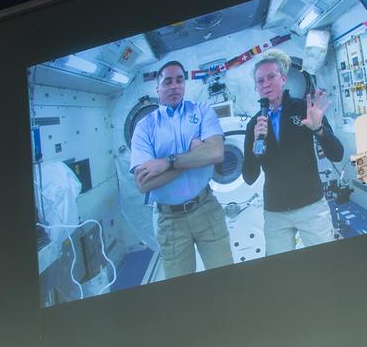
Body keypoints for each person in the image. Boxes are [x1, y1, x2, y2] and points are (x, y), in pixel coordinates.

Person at [130, 60, 233, 279]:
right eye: (167, 81)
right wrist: (196, 156)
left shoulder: (203, 110)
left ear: (184, 84)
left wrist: (166, 162)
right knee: (181, 293)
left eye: (179, 80)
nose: (174, 86)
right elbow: (144, 183)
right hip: (170, 222)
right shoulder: (145, 127)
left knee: (226, 280)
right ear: (157, 88)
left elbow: (216, 153)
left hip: (206, 209)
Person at [241, 50, 344, 255]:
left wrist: (318, 130)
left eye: (271, 77)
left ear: (283, 78)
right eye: (260, 81)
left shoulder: (305, 109)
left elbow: (337, 154)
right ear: (256, 87)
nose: (266, 83)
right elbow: (249, 177)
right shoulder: (255, 124)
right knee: (280, 273)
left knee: (327, 265)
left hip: (311, 206)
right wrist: (254, 148)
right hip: (276, 211)